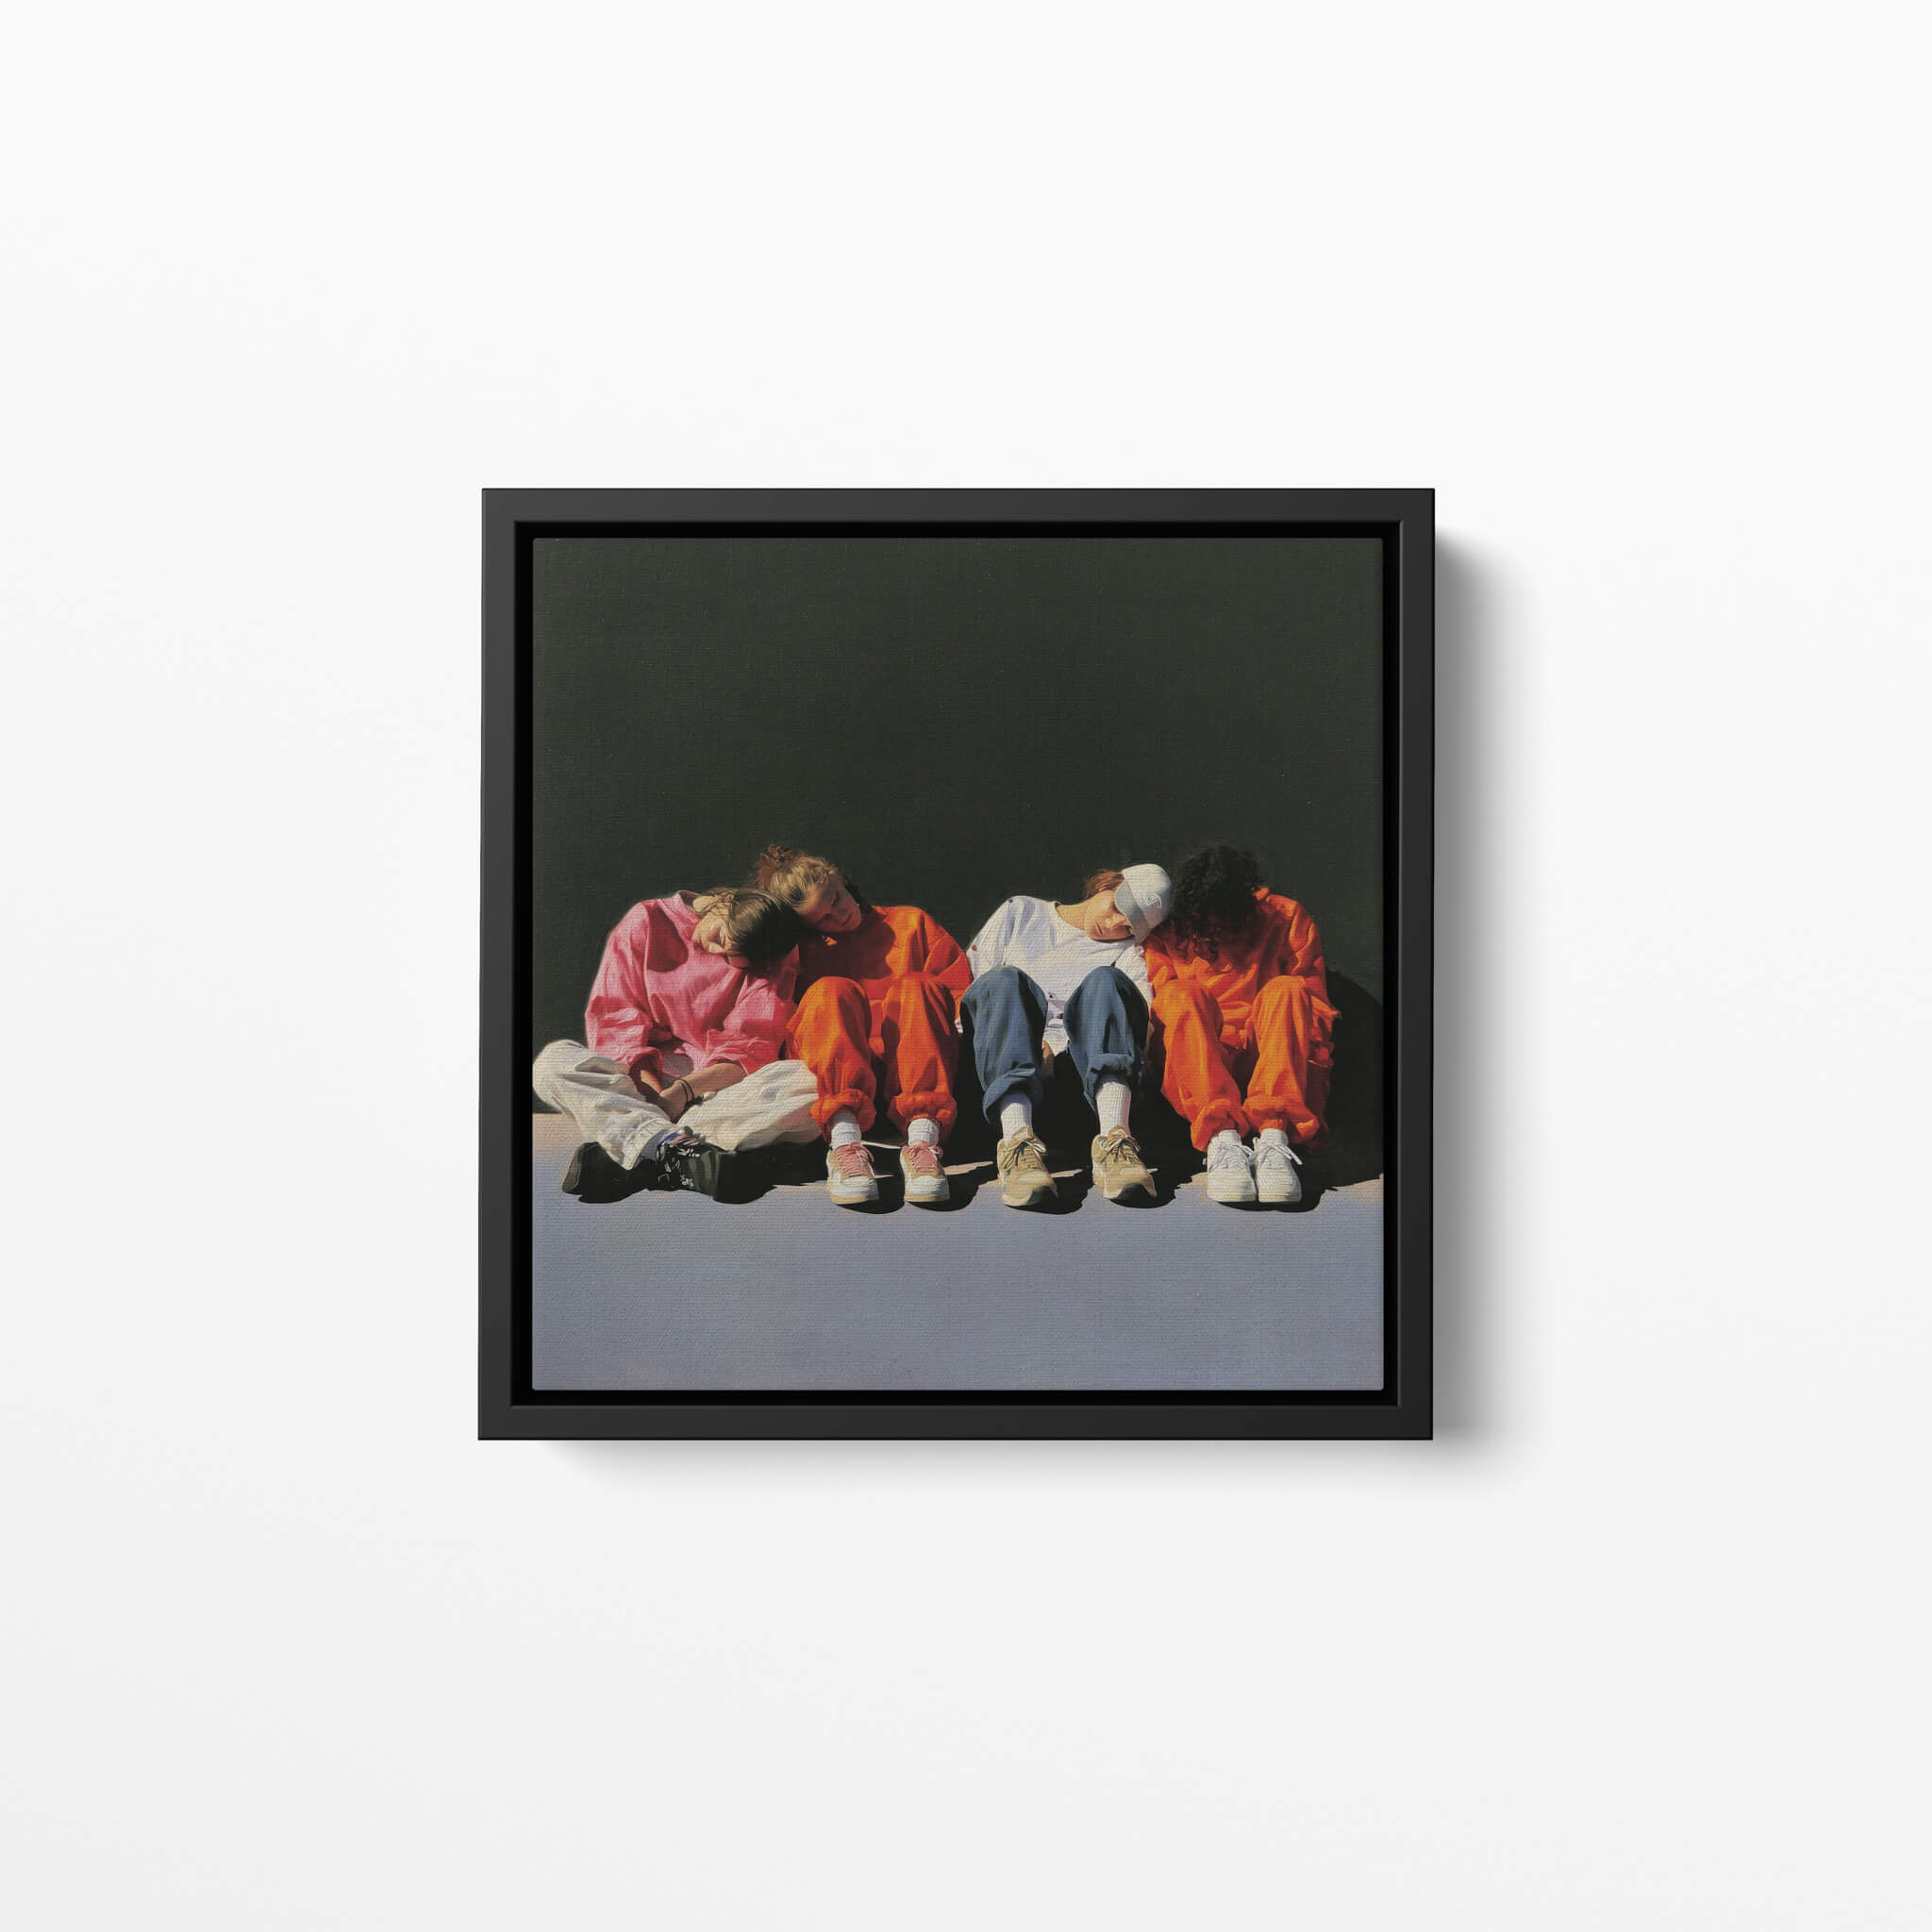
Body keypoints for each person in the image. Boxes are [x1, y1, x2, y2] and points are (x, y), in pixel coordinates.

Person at [531, 886, 820, 1203]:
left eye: (733, 959)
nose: (716, 954)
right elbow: (615, 1021)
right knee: (551, 1063)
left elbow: (748, 1048)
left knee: (810, 1087)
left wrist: (679, 1094)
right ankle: (673, 1148)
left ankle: (641, 1146)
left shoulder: (776, 951)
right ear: (725, 902)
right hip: (637, 1083)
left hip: (711, 1088)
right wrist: (654, 1095)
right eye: (722, 940)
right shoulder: (647, 921)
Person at [752, 845, 973, 1208]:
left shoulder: (910, 923)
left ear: (840, 879)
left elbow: (959, 995)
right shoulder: (802, 953)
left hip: (915, 1071)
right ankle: (844, 1146)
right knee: (830, 990)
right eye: (822, 919)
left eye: (836, 899)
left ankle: (922, 1143)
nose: (838, 916)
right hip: (837, 1078)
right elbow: (791, 1021)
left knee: (918, 985)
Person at [959, 864, 1172, 1209]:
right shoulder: (1021, 912)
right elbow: (974, 991)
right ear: (1105, 885)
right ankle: (1016, 1144)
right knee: (1003, 980)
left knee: (1107, 981)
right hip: (999, 1081)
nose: (1115, 925)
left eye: (1130, 927)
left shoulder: (1127, 952)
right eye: (1118, 908)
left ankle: (1115, 1141)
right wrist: (1030, 1043)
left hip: (1075, 1084)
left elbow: (1142, 1021)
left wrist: (1056, 1047)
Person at [1143, 845, 1336, 1207]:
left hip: (1269, 1064)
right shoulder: (1169, 932)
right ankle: (1223, 1141)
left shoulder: (1285, 916)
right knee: (1179, 995)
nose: (1217, 927)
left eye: (1226, 916)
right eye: (1207, 918)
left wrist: (1310, 1092)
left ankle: (1274, 1140)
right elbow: (1163, 1028)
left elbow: (1316, 1018)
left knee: (1290, 989)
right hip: (1200, 1068)